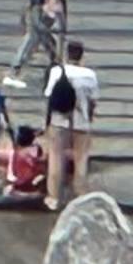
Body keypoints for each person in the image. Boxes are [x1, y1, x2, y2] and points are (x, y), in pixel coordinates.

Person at [41, 41, 97, 204]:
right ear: (82, 56)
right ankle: (79, 196)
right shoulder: (89, 75)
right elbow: (93, 101)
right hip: (81, 122)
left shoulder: (57, 72)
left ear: (67, 54)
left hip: (59, 121)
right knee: (81, 160)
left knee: (56, 158)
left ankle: (53, 197)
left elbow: (49, 97)